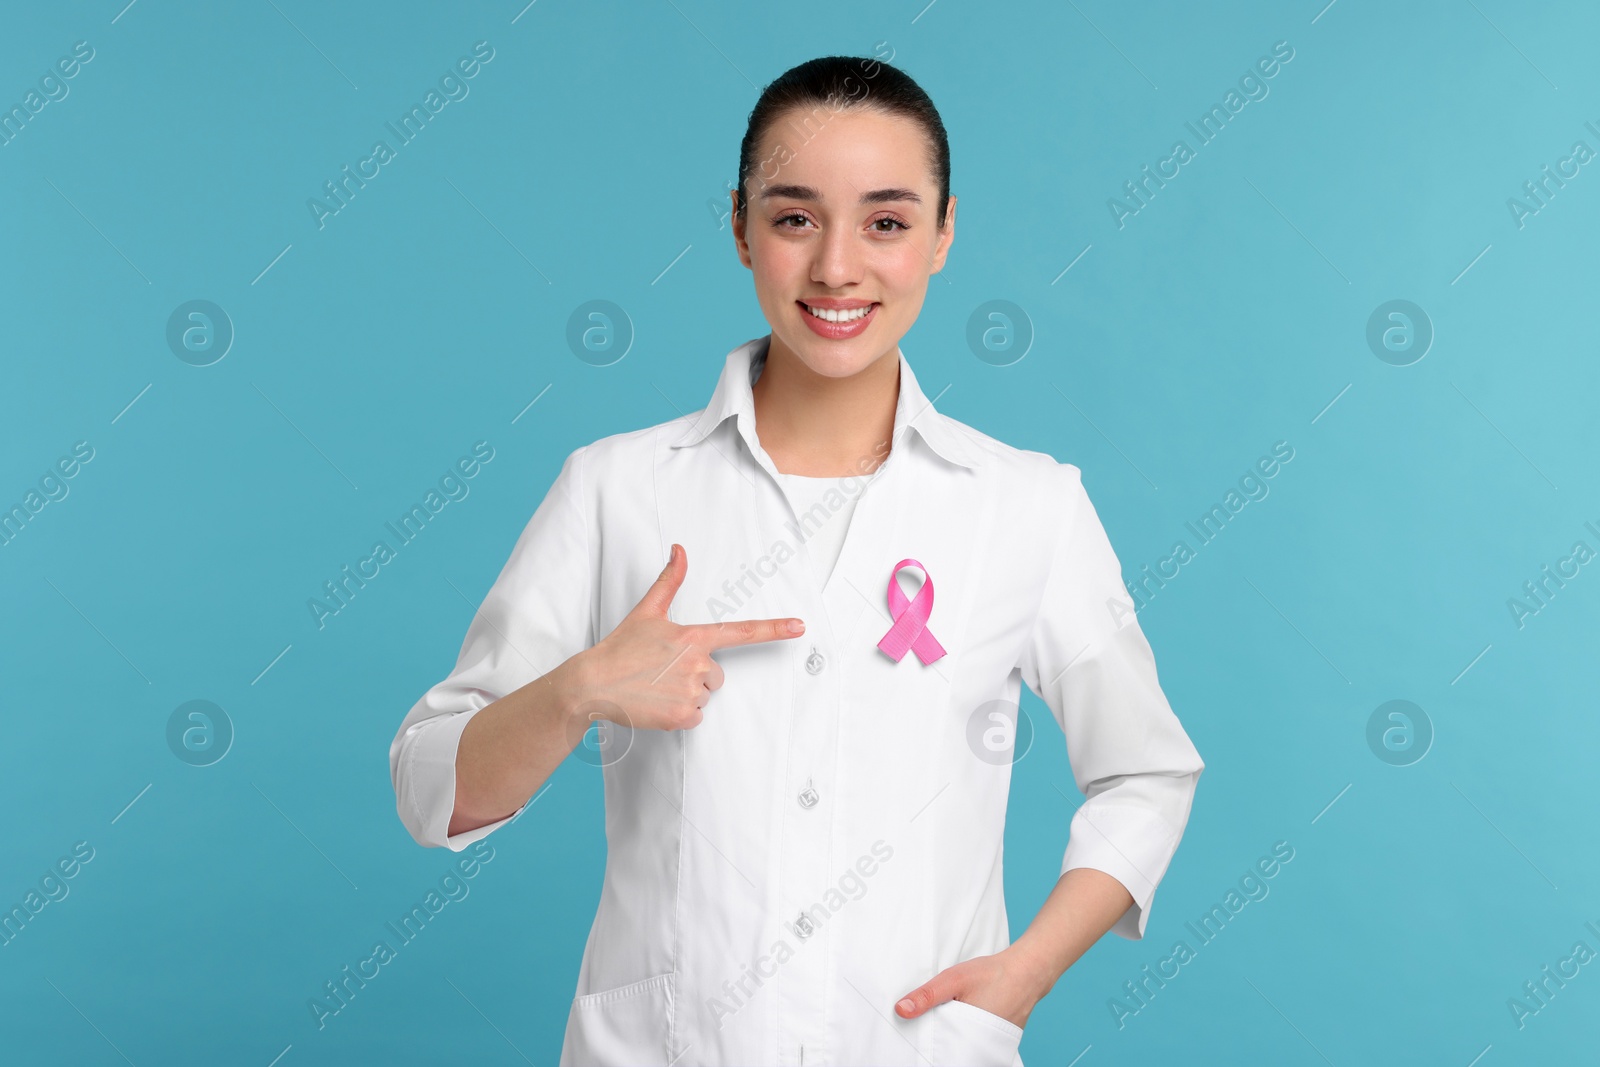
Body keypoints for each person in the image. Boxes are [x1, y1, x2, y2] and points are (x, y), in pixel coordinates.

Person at [389, 54, 1204, 1067]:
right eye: (794, 218)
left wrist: (1025, 971)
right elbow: (432, 791)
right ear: (738, 226)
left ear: (945, 231)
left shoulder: (1024, 504)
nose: (836, 268)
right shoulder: (616, 489)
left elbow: (1146, 769)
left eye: (887, 221)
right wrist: (577, 690)